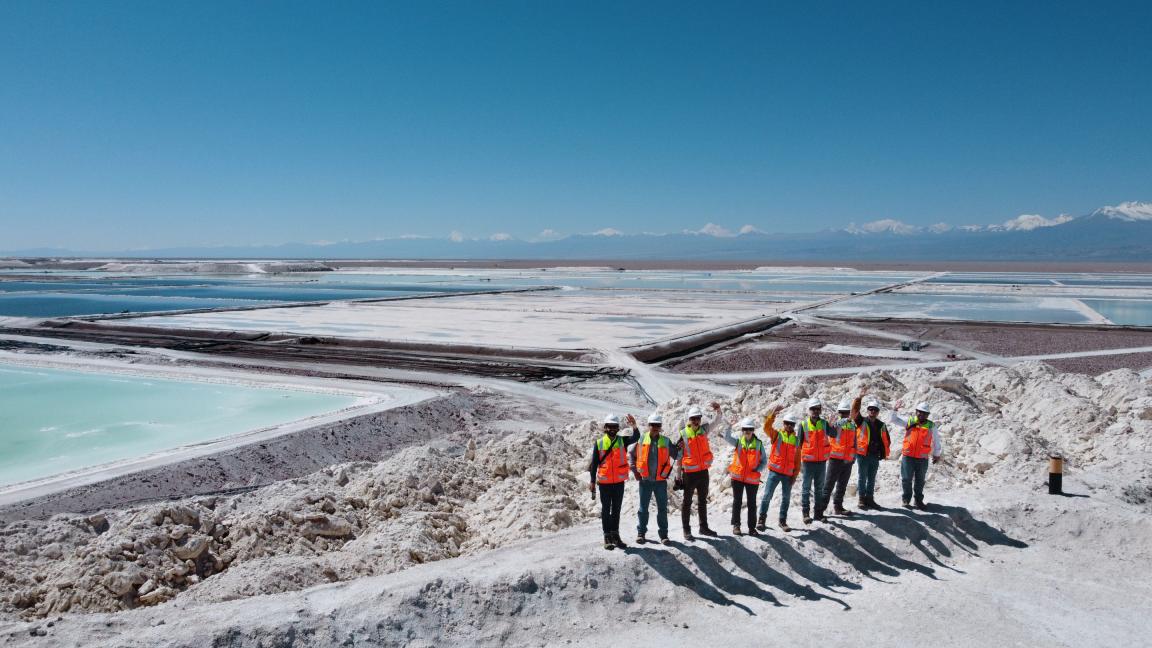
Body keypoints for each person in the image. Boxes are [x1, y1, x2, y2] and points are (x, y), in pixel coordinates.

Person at [588, 413, 640, 550]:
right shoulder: (599, 443)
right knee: (606, 510)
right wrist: (592, 481)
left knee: (616, 510)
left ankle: (615, 535)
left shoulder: (622, 441)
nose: (612, 429)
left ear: (618, 428)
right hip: (604, 483)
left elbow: (636, 437)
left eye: (614, 426)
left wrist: (634, 425)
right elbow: (594, 464)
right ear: (605, 428)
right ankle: (607, 535)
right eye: (610, 426)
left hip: (618, 483)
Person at [629, 413, 680, 545]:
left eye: (658, 425)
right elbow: (631, 454)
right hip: (645, 480)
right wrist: (634, 470)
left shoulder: (666, 441)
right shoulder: (641, 440)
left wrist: (680, 447)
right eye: (653, 425)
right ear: (649, 426)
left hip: (660, 482)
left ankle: (664, 535)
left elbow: (678, 456)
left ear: (661, 426)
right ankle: (641, 533)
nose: (655, 427)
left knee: (662, 509)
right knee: (643, 509)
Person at [676, 401, 724, 541]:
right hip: (689, 474)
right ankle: (686, 530)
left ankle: (703, 527)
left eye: (698, 418)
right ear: (689, 420)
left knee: (702, 500)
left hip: (703, 472)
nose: (696, 421)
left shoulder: (704, 430)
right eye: (693, 419)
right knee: (687, 502)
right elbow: (679, 457)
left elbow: (717, 421)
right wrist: (678, 477)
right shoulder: (683, 434)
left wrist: (718, 410)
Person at [816, 390, 864, 518]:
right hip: (835, 459)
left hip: (847, 461)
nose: (844, 414)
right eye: (841, 412)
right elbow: (831, 430)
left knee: (842, 485)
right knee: (828, 485)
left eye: (846, 412)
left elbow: (855, 443)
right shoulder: (836, 424)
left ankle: (838, 507)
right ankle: (820, 510)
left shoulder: (852, 426)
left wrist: (853, 457)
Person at [756, 405, 804, 532]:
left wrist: (794, 476)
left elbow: (797, 460)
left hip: (788, 475)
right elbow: (766, 427)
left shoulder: (797, 440)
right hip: (774, 473)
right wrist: (772, 415)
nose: (789, 426)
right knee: (767, 495)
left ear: (794, 426)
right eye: (787, 423)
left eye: (791, 424)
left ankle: (782, 521)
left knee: (786, 498)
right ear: (784, 424)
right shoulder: (777, 435)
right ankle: (761, 519)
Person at [889, 401, 943, 510]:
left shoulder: (931, 426)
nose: (921, 414)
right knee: (906, 479)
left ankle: (918, 501)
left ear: (927, 415)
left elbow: (937, 441)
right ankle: (906, 499)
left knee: (920, 480)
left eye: (924, 413)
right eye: (919, 412)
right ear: (916, 412)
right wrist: (894, 410)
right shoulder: (909, 421)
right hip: (908, 457)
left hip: (922, 458)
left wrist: (937, 454)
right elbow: (893, 420)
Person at [724, 416, 767, 536]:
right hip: (737, 478)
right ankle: (736, 526)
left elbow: (764, 460)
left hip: (752, 479)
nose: (747, 431)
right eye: (745, 429)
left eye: (749, 429)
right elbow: (727, 437)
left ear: (753, 430)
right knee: (737, 502)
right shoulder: (738, 442)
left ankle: (752, 528)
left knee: (752, 503)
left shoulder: (758, 444)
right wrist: (729, 426)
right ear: (742, 430)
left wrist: (757, 470)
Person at [798, 397, 833, 524]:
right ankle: (806, 513)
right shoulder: (803, 424)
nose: (815, 411)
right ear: (809, 410)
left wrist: (832, 425)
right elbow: (798, 444)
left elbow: (833, 434)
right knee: (806, 488)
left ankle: (818, 513)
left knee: (819, 488)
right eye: (813, 409)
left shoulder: (824, 423)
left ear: (820, 410)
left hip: (821, 462)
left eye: (817, 409)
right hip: (808, 462)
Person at [855, 398, 891, 510]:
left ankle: (869, 499)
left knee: (871, 478)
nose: (873, 411)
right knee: (862, 477)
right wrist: (859, 398)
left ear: (878, 412)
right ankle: (861, 499)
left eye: (875, 410)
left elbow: (887, 440)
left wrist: (883, 452)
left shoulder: (881, 425)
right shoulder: (861, 421)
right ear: (867, 410)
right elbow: (855, 411)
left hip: (874, 455)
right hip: (863, 454)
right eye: (871, 409)